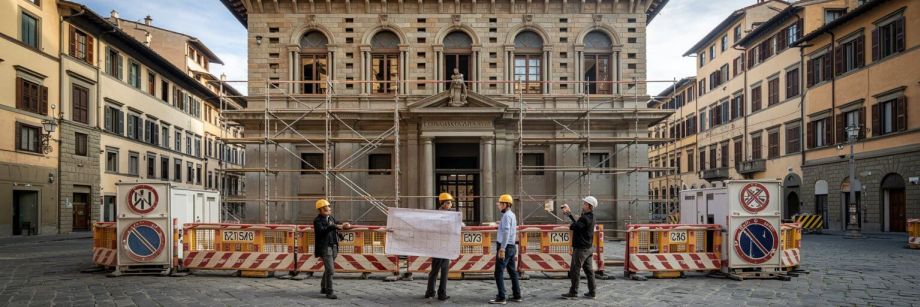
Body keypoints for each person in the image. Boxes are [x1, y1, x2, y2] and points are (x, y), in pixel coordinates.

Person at [560, 196, 597, 299]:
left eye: (585, 204)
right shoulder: (591, 216)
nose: (583, 205)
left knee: (574, 271)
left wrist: (570, 225)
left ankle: (573, 292)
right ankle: (592, 292)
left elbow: (576, 226)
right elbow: (579, 223)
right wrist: (569, 213)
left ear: (589, 206)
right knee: (589, 271)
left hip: (581, 249)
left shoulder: (585, 218)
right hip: (588, 248)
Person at [314, 199, 351, 299]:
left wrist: (345, 224)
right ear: (322, 209)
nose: (330, 209)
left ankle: (323, 287)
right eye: (327, 207)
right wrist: (333, 226)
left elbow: (337, 224)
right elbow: (321, 232)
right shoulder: (317, 221)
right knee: (330, 270)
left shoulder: (330, 218)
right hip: (325, 247)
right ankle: (329, 292)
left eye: (329, 207)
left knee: (328, 269)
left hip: (334, 246)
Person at [489, 194, 522, 304]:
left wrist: (502, 248)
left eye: (500, 204)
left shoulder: (506, 216)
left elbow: (507, 231)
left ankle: (501, 297)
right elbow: (508, 228)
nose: (499, 206)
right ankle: (517, 295)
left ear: (505, 204)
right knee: (512, 272)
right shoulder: (511, 215)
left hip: (505, 247)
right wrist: (500, 224)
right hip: (511, 246)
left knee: (498, 272)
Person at [425, 192, 456, 301]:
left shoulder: (445, 215)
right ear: (443, 203)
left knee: (439, 271)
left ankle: (433, 292)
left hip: (443, 246)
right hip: (440, 246)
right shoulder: (440, 216)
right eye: (449, 202)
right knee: (440, 271)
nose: (451, 204)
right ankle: (437, 293)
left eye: (451, 203)